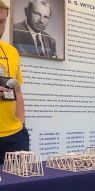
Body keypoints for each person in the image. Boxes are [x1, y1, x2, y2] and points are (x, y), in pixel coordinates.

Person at [0, 0, 29, 164]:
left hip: (15, 137)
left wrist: (22, 123)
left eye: (2, 21)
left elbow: (17, 91)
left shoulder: (12, 51)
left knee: (20, 188)